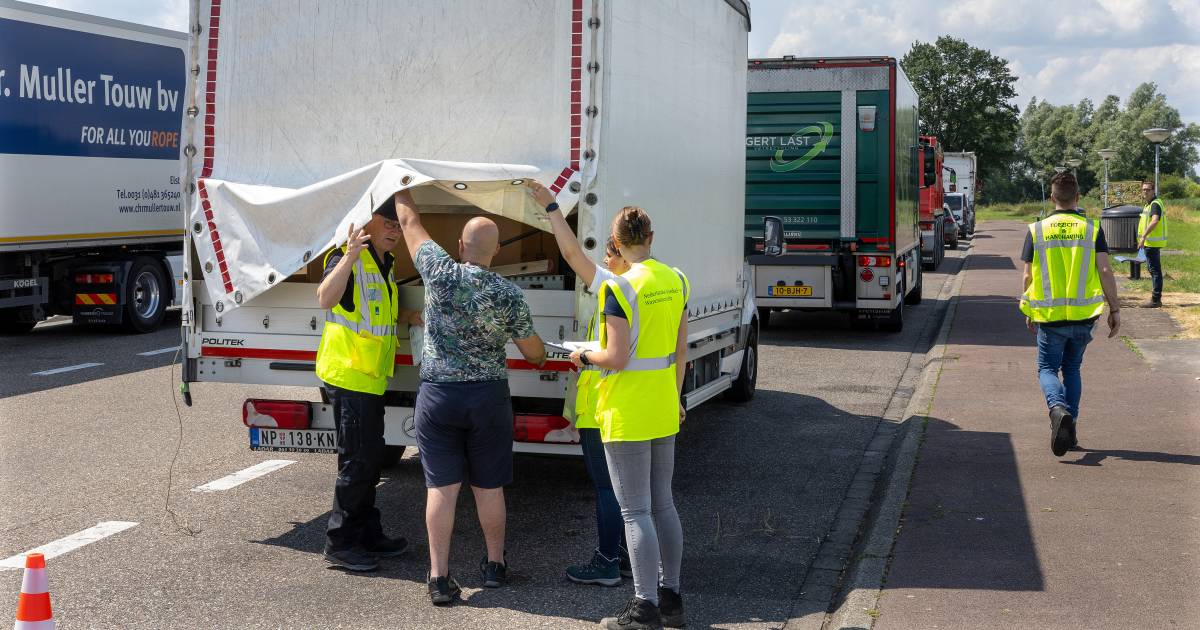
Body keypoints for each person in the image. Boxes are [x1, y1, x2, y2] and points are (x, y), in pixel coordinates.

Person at [387, 188, 547, 606]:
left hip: (439, 396)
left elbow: (409, 223)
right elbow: (534, 352)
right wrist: (538, 347)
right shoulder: (508, 294)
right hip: (487, 398)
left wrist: (399, 182)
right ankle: (494, 567)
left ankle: (439, 577)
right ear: (496, 251)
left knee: (441, 487)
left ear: (460, 246)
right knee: (489, 486)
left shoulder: (439, 271)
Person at [568, 207, 689, 630]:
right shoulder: (676, 279)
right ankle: (671, 598)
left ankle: (644, 607)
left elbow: (615, 358)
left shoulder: (619, 287)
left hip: (626, 409)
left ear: (615, 244)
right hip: (661, 404)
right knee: (664, 504)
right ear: (651, 236)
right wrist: (674, 398)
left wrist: (583, 355)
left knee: (635, 512)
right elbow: (681, 351)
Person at [525, 181, 633, 586]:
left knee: (607, 487)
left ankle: (606, 560)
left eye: (608, 252)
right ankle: (622, 555)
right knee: (627, 490)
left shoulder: (614, 287)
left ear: (620, 254)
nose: (602, 260)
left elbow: (570, 253)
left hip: (600, 405)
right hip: (626, 403)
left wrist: (552, 206)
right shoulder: (655, 286)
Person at [315, 201, 421, 572]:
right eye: (387, 223)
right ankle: (341, 542)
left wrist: (411, 316)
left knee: (371, 460)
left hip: (371, 380)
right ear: (367, 224)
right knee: (357, 463)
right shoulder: (349, 258)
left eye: (397, 225)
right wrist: (348, 256)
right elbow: (325, 299)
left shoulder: (385, 265)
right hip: (349, 376)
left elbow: (379, 313)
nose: (394, 230)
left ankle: (366, 531)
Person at [1019, 172, 1121, 457]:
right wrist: (1115, 308)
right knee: (1073, 369)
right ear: (1077, 198)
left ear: (1052, 198)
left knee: (1047, 369)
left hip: (1050, 317)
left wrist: (1029, 308)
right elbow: (1104, 270)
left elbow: (1028, 276)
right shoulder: (1092, 229)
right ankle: (1070, 427)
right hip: (1084, 317)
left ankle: (1056, 408)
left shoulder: (1037, 230)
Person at [1136, 180, 1168, 307]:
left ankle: (1156, 300)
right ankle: (1156, 298)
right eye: (1143, 189)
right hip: (1150, 243)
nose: (1145, 191)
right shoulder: (1148, 205)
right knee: (1153, 270)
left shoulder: (1154, 204)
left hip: (1151, 243)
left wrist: (1143, 236)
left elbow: (1155, 221)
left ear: (1153, 190)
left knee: (1155, 271)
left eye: (1148, 189)